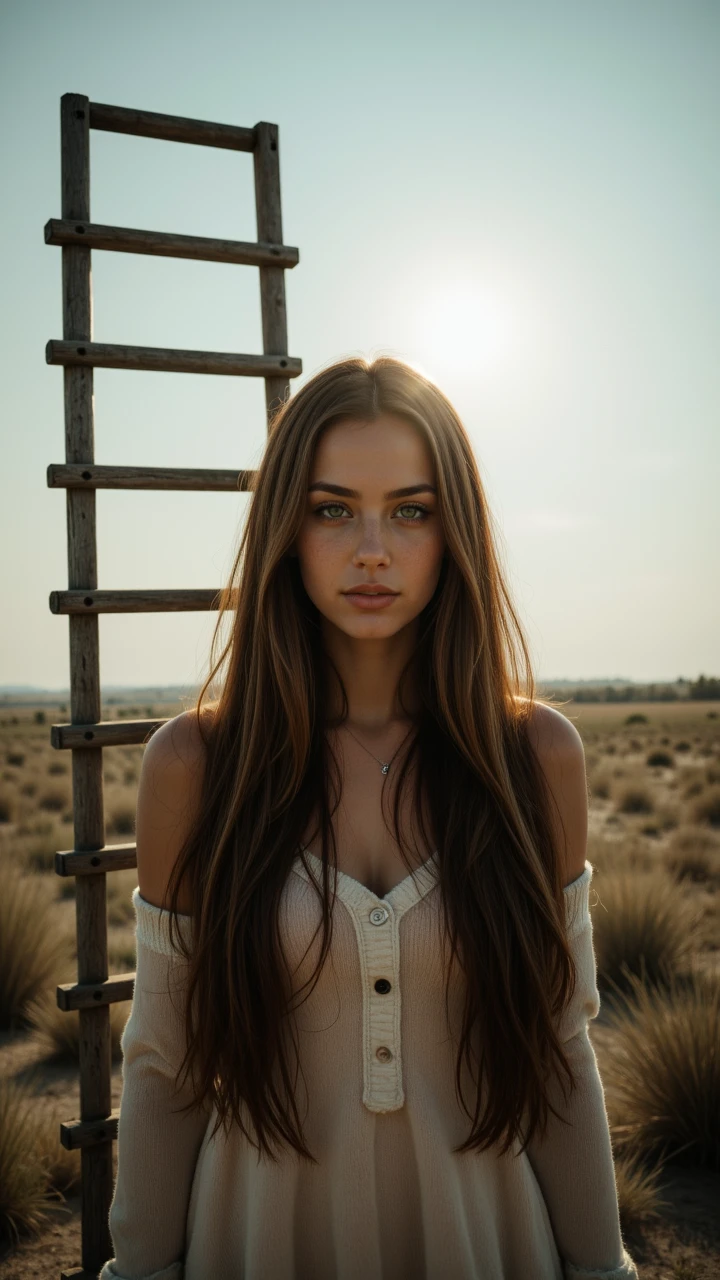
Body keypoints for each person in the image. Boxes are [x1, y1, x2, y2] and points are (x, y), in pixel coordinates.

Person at [100, 355, 638, 1279]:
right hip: (258, 1240)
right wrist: (137, 1272)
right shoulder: (195, 768)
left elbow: (557, 1052)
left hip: (491, 1242)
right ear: (286, 528)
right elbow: (165, 1070)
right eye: (333, 508)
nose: (373, 550)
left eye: (412, 510)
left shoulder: (535, 760)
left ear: (453, 529)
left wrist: (605, 1270)